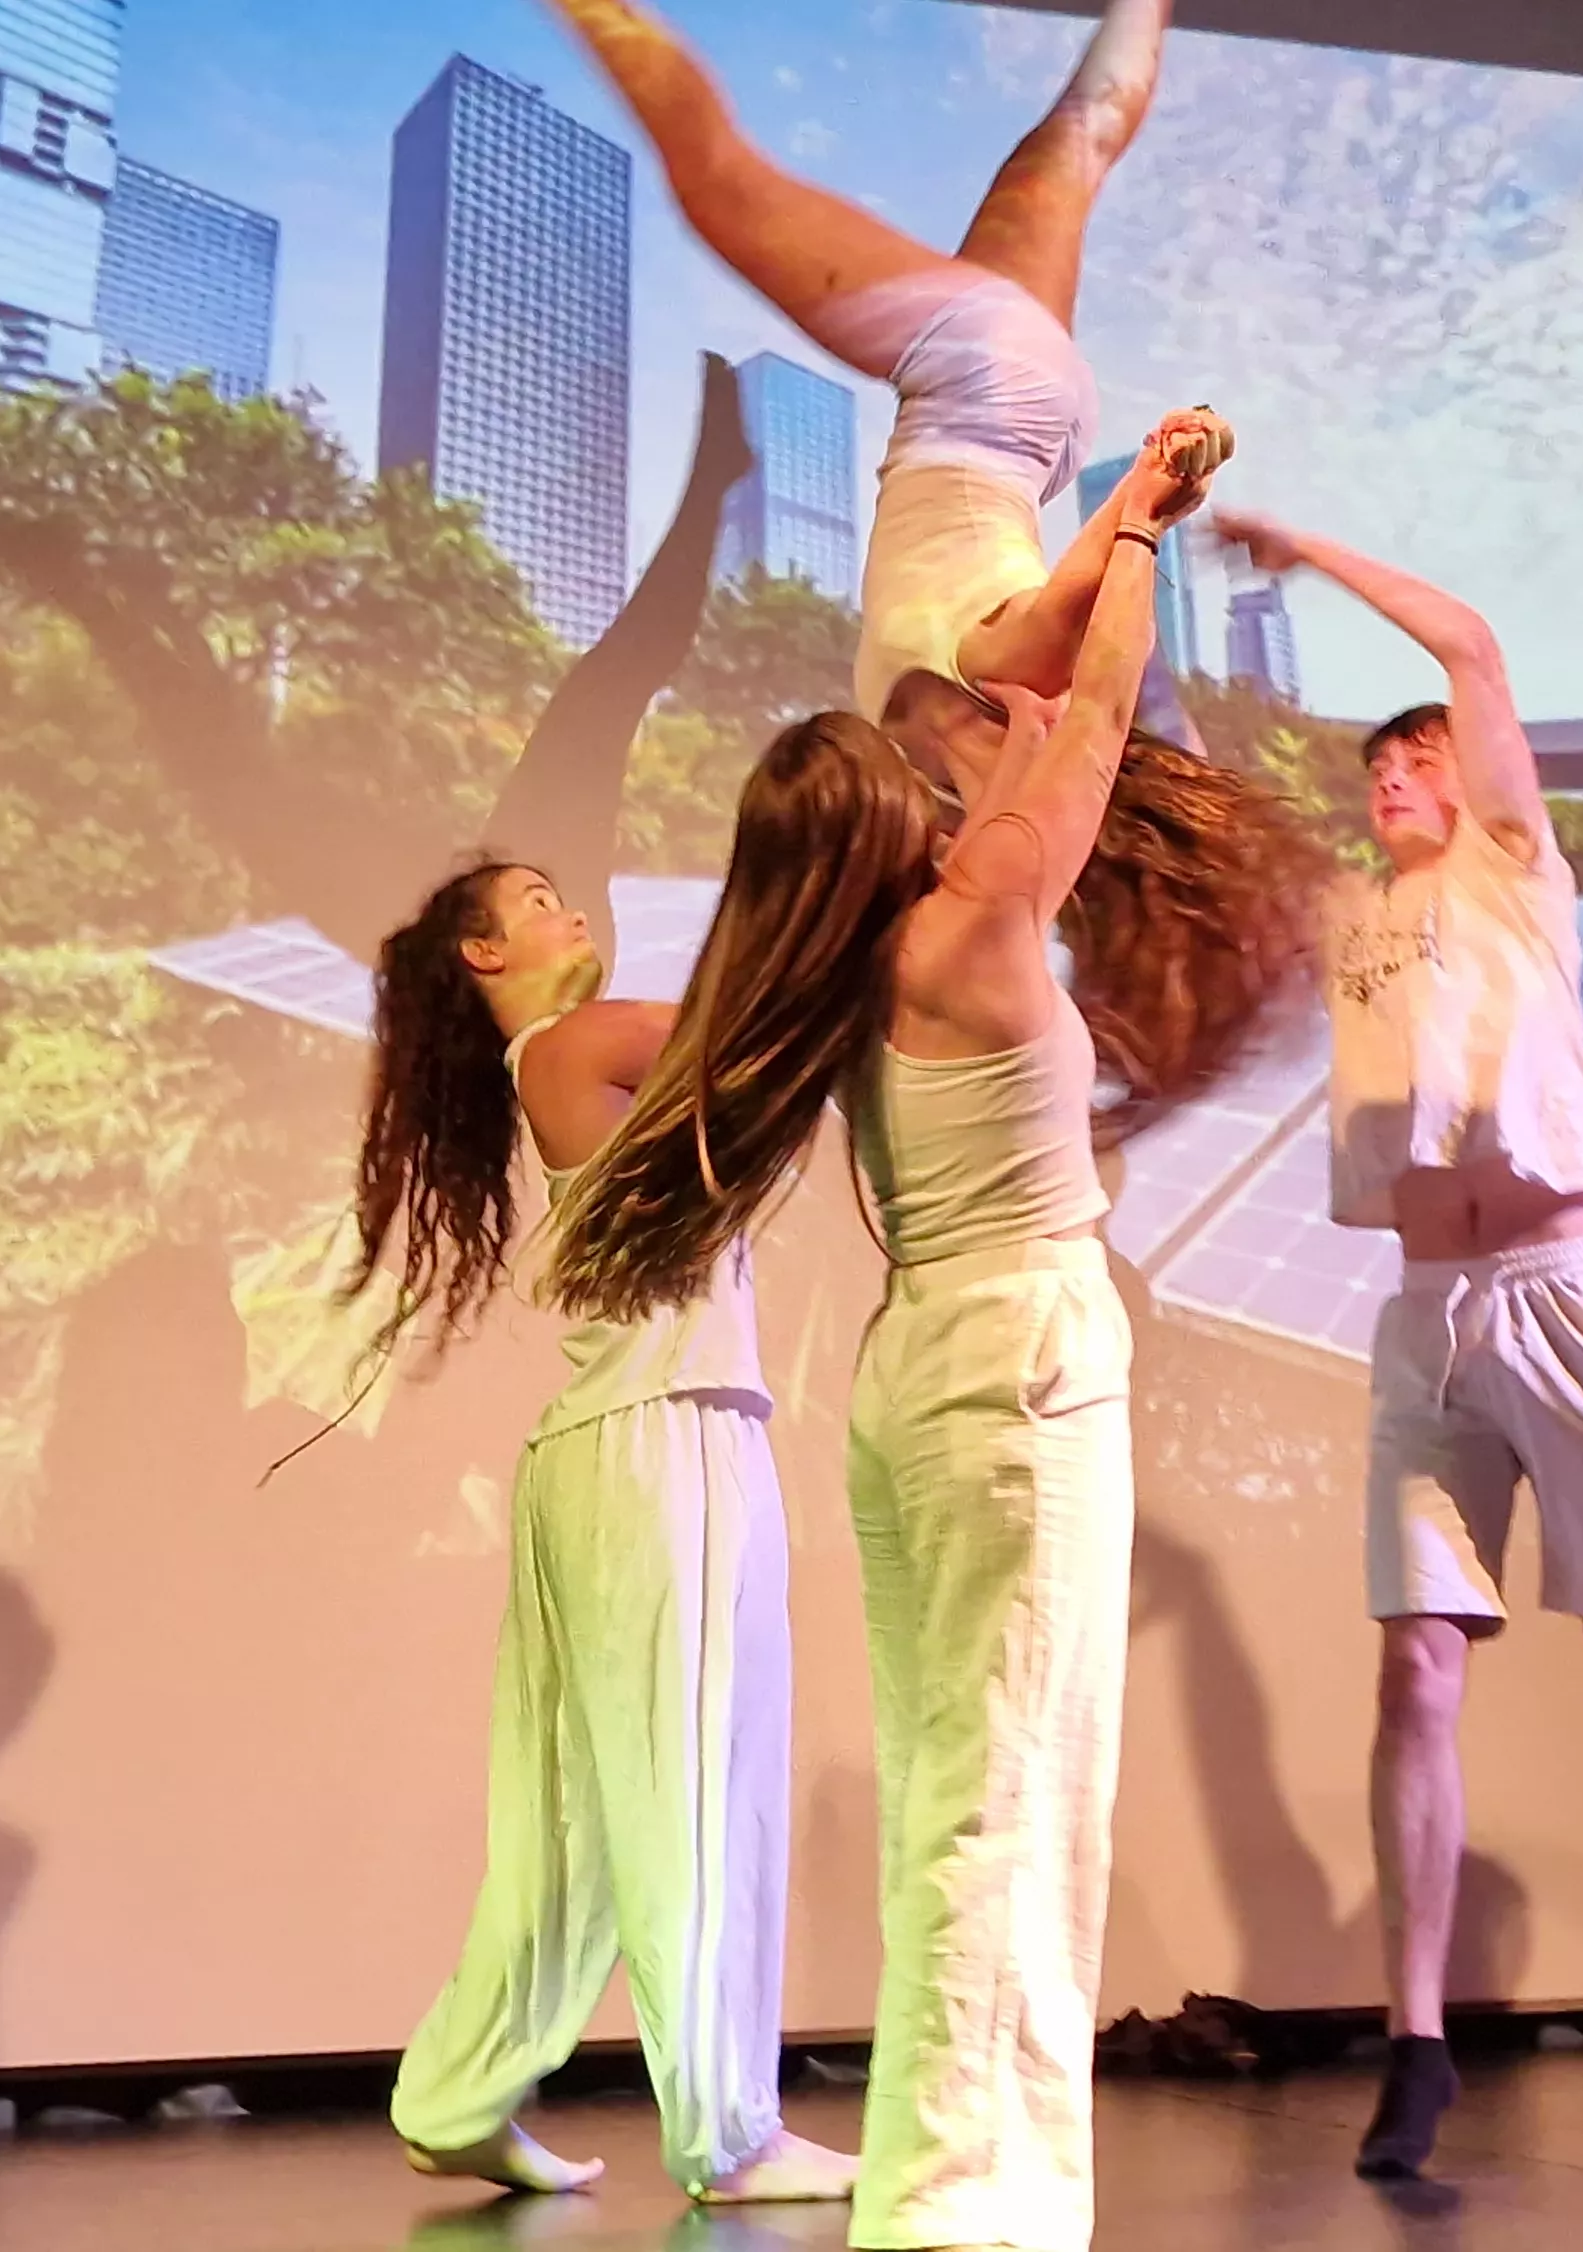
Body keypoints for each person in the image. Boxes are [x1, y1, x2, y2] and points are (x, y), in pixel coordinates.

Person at [550, 424, 1210, 2252]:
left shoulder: (843, 958)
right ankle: (970, 2219)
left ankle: (939, 2195)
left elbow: (1023, 703)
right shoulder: (972, 913)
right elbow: (1088, 707)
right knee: (1017, 1792)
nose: (959, 741)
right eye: (925, 752)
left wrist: (1103, 532)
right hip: (1016, 1368)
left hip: (925, 1372)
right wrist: (1136, 529)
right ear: (901, 817)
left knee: (954, 1796)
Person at [1204, 509, 1583, 2174]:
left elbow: (1471, 645)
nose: (1394, 776)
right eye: (1379, 768)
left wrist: (1296, 544)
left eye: (1417, 758)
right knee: (1416, 1659)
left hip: (1570, 1298)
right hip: (1430, 1318)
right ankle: (1418, 2038)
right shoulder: (1363, 918)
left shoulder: (1511, 869)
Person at [545, 0, 1319, 1140]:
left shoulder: (955, 771)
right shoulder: (1000, 676)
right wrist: (1157, 484)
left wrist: (1167, 469)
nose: (952, 856)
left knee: (1080, 134)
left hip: (1033, 427)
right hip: (981, 383)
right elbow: (1071, 629)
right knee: (713, 178)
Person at [351, 861, 854, 2204]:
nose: (568, 908)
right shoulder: (581, 1039)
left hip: (610, 1455)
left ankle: (458, 2092)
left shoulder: (566, 1059)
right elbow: (772, 1029)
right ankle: (728, 2133)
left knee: (570, 1825)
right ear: (481, 951)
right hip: (665, 1441)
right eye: (534, 899)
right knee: (698, 1793)